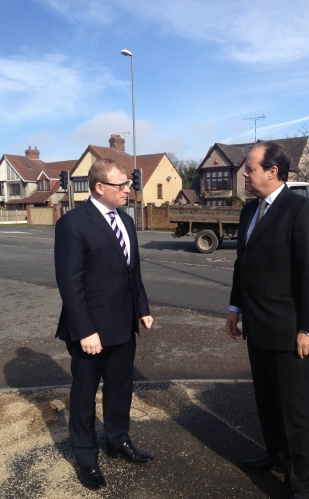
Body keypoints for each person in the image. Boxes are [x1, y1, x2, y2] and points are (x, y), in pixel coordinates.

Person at [226, 141, 309, 499]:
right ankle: (275, 455)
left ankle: (302, 486)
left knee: (297, 414)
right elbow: (244, 264)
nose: (245, 173)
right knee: (267, 402)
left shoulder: (301, 211)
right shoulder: (249, 211)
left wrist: (308, 328)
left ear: (273, 172)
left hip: (291, 333)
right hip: (257, 327)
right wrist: (235, 307)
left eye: (250, 167)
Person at [55, 158, 153, 490]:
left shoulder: (126, 221)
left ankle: (118, 440)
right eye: (121, 185)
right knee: (84, 396)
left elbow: (132, 272)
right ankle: (86, 458)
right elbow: (71, 284)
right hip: (91, 331)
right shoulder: (73, 223)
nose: (129, 189)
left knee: (119, 389)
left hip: (124, 325)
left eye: (128, 184)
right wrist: (84, 331)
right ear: (100, 187)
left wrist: (143, 308)